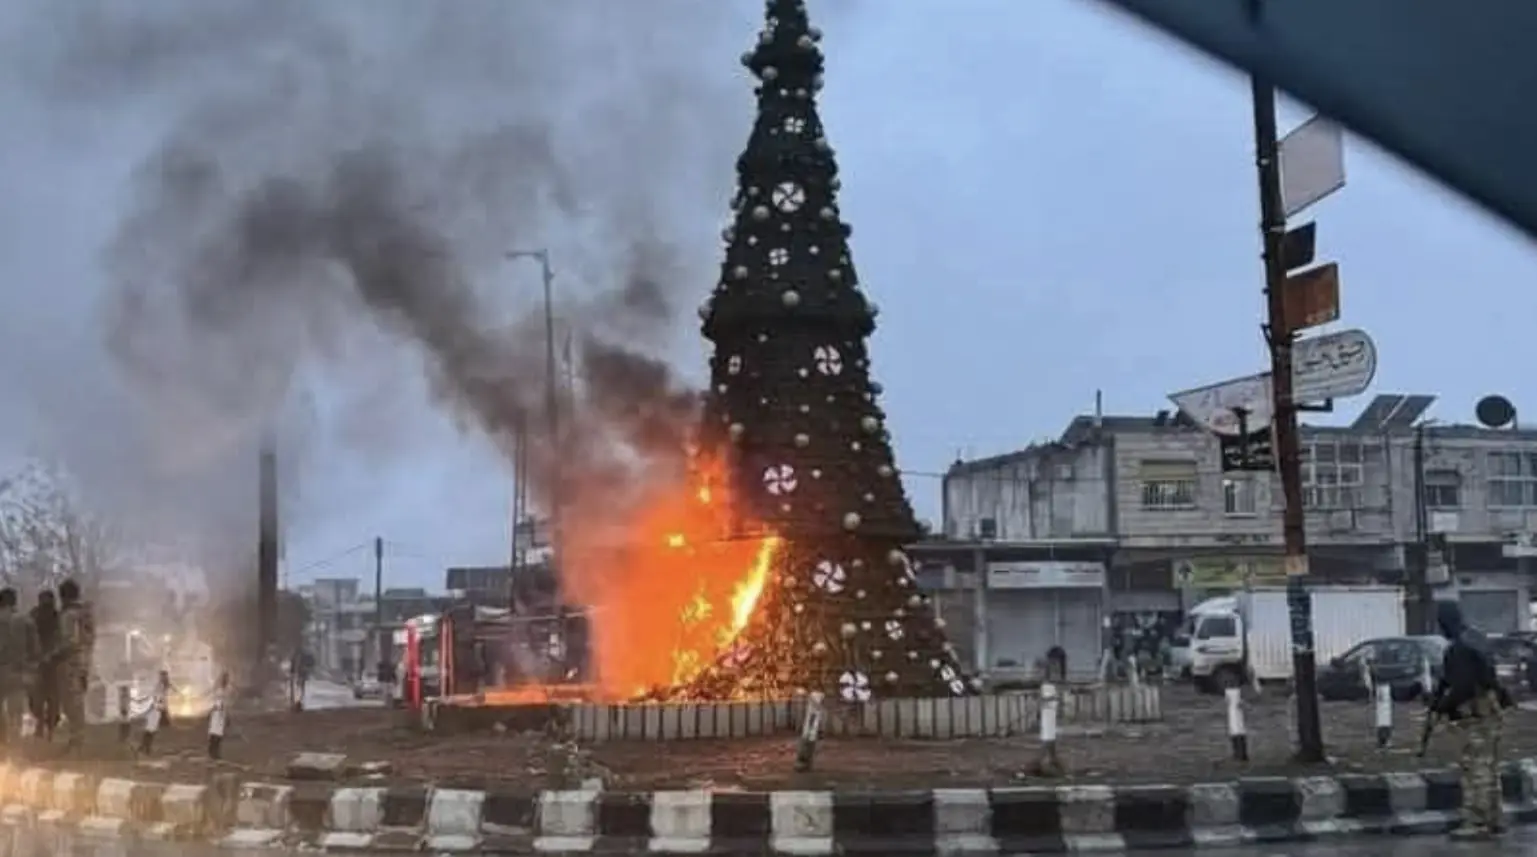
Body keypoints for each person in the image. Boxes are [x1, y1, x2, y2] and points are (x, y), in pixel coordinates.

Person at [1431, 600, 1514, 839]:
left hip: (1475, 712)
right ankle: (1494, 819)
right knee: (1488, 767)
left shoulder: (1459, 648)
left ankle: (1478, 822)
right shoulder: (1476, 638)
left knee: (1475, 768)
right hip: (1491, 709)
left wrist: (1443, 707)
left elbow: (1462, 686)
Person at [55, 579, 95, 752]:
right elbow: (91, 637)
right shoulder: (86, 613)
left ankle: (77, 739)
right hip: (84, 660)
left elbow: (69, 641)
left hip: (70, 661)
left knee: (70, 701)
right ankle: (78, 737)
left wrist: (53, 656)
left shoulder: (69, 615)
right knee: (78, 699)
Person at [0, 588, 38, 744]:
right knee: (15, 710)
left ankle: (2, 743)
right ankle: (14, 748)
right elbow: (35, 649)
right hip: (18, 671)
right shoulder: (26, 620)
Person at [29, 591, 59, 740]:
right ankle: (42, 726)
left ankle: (47, 729)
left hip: (51, 663)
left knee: (49, 698)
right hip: (42, 662)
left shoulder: (57, 617)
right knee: (39, 698)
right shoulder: (34, 616)